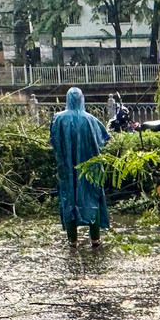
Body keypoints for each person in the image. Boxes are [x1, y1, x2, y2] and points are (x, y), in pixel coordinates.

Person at [51, 87, 110, 250]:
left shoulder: (58, 119)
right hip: (89, 168)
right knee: (92, 199)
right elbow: (104, 138)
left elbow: (54, 141)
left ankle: (72, 241)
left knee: (69, 199)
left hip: (66, 168)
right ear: (82, 99)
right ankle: (95, 239)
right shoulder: (91, 119)